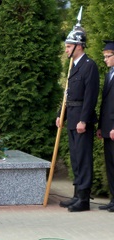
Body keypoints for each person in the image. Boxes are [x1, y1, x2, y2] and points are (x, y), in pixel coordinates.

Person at [56, 25, 99, 212]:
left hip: (81, 119)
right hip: (72, 117)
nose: (66, 49)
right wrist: (61, 115)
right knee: (75, 159)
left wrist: (84, 120)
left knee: (83, 159)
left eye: (68, 46)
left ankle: (84, 199)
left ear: (78, 46)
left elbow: (90, 96)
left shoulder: (89, 66)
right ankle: (76, 194)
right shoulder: (73, 66)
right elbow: (67, 94)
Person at [96, 40, 114, 212]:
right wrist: (101, 126)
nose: (105, 59)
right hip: (108, 128)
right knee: (110, 165)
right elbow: (105, 103)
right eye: (105, 56)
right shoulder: (110, 74)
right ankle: (113, 199)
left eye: (108, 56)